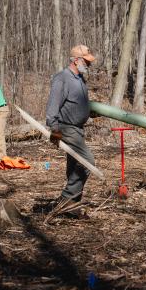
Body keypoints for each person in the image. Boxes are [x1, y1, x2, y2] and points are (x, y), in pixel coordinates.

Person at [46, 44, 97, 211]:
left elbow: (77, 103)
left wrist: (90, 112)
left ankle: (72, 207)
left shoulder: (80, 79)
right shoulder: (62, 78)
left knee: (75, 165)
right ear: (76, 60)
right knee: (87, 162)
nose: (88, 65)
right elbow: (53, 105)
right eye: (86, 62)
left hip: (78, 128)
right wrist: (54, 129)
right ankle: (65, 200)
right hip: (66, 128)